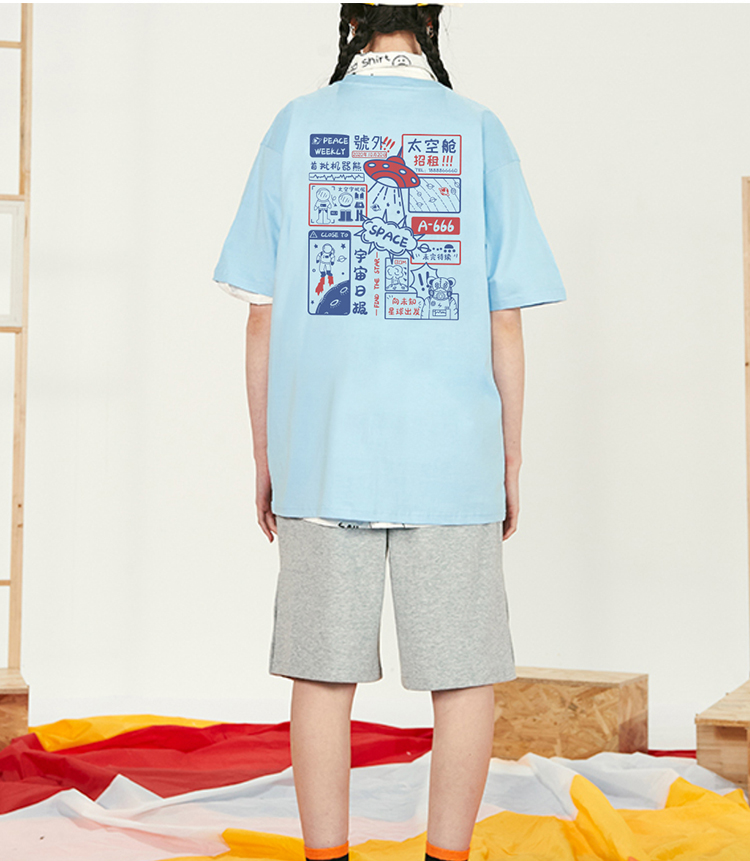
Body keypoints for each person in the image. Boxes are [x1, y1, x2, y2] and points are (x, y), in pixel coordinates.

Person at [213, 4, 567, 861]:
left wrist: (266, 453)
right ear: (431, 19)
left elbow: (261, 313)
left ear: (352, 20)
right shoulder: (477, 128)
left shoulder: (296, 125)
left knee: (321, 672)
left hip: (321, 454)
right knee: (463, 672)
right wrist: (511, 455)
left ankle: (324, 856)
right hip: (453, 457)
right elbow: (505, 316)